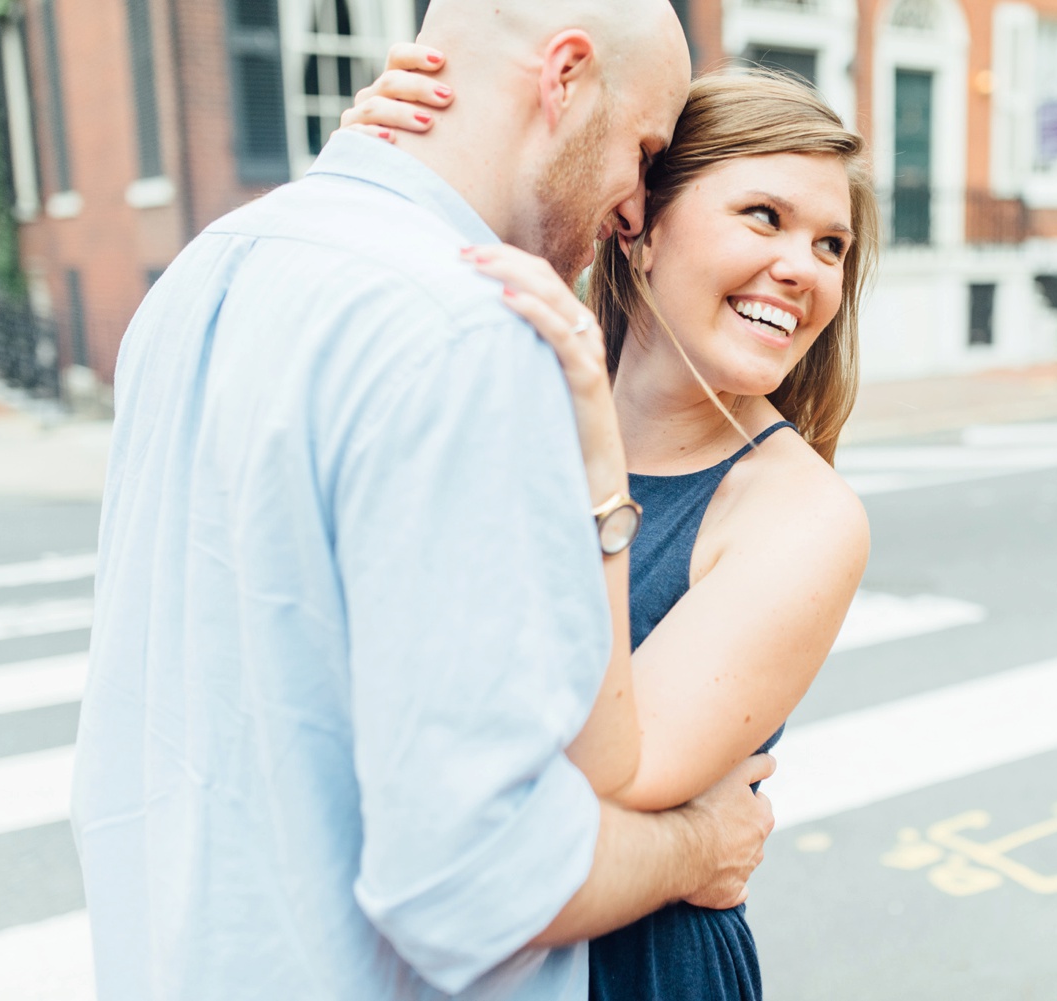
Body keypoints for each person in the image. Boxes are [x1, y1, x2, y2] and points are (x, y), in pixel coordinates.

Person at [70, 4, 776, 1000]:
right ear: (564, 77)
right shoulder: (471, 333)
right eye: (644, 149)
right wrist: (701, 844)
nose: (633, 208)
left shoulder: (205, 269)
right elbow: (471, 884)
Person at [343, 53, 880, 1001]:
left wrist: (597, 467)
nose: (802, 268)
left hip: (629, 970)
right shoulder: (498, 380)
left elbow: (611, 782)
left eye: (831, 246)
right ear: (638, 226)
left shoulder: (799, 514)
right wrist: (381, 170)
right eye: (764, 216)